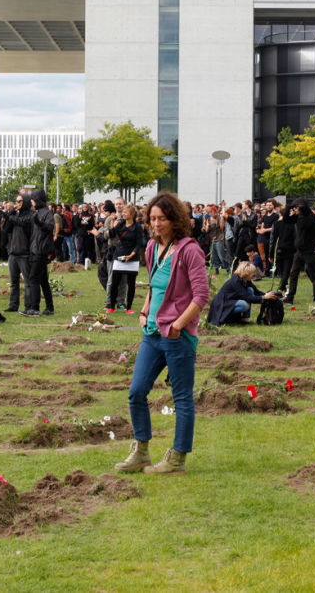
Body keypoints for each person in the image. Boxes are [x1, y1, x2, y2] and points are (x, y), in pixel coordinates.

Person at [115, 191, 210, 476]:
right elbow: (155, 286)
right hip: (152, 334)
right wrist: (144, 312)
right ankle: (141, 451)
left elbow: (201, 295)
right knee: (136, 392)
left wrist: (179, 326)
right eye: (152, 218)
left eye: (162, 219)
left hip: (176, 337)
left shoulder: (189, 250)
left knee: (181, 398)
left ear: (174, 219)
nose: (156, 224)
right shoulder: (153, 248)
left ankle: (177, 458)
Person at [206, 261, 277, 325]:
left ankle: (245, 319)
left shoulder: (245, 279)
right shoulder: (236, 281)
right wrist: (264, 297)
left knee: (250, 290)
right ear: (246, 273)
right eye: (252, 273)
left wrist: (269, 295)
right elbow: (247, 298)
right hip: (223, 303)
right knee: (244, 305)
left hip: (232, 299)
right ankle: (226, 317)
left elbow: (256, 292)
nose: (254, 274)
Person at [105, 204, 144, 313]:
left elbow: (139, 243)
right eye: (123, 212)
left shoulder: (137, 227)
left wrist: (132, 255)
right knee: (114, 282)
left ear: (132, 214)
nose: (123, 214)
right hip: (120, 255)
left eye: (126, 212)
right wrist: (112, 222)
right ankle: (111, 306)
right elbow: (111, 234)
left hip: (132, 257)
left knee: (131, 284)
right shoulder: (121, 224)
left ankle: (129, 307)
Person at [283, 198, 315, 304]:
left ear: (301, 208)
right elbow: (286, 219)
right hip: (300, 250)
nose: (295, 210)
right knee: (293, 273)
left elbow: (302, 224)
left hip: (309, 250)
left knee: (313, 274)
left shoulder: (309, 217)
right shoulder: (299, 216)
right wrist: (289, 208)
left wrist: (296, 213)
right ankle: (290, 297)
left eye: (297, 208)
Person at [23, 188, 55, 317]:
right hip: (35, 249)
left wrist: (39, 222)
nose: (31, 202)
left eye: (33, 200)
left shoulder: (47, 213)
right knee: (42, 280)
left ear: (38, 200)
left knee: (33, 278)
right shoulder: (36, 213)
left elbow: (49, 227)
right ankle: (49, 308)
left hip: (41, 250)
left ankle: (34, 308)